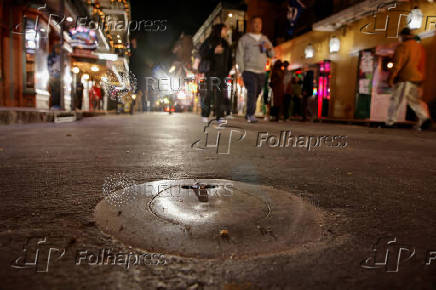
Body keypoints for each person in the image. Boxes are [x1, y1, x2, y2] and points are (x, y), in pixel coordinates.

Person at [386, 27, 431, 130]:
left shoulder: (403, 46)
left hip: (404, 78)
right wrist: (422, 78)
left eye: (399, 36)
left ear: (402, 36)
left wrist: (391, 78)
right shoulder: (419, 47)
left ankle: (390, 122)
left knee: (396, 99)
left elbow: (397, 63)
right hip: (416, 78)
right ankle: (425, 118)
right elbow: (422, 64)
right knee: (414, 100)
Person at [236, 16, 274, 123]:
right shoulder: (244, 39)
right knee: (252, 91)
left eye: (260, 23)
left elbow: (271, 54)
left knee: (257, 91)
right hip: (249, 69)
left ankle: (249, 112)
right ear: (251, 24)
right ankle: (250, 114)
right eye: (256, 23)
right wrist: (242, 70)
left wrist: (269, 48)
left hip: (261, 71)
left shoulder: (264, 39)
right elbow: (239, 55)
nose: (258, 25)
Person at [199, 24, 232, 123]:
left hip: (222, 73)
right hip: (211, 71)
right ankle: (205, 114)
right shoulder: (209, 41)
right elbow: (202, 53)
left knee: (220, 95)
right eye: (225, 29)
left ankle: (220, 116)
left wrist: (228, 70)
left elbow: (229, 59)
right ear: (219, 30)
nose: (226, 32)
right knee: (208, 94)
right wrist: (213, 51)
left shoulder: (226, 43)